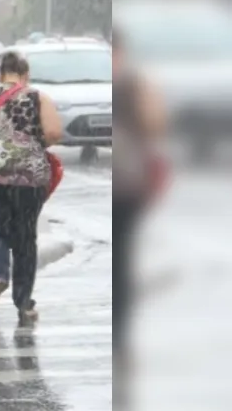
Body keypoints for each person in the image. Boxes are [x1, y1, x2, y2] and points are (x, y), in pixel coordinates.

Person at [0, 51, 62, 326]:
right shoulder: (37, 96)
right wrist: (30, 146)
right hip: (27, 177)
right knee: (25, 238)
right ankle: (24, 303)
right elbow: (54, 132)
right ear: (25, 74)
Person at [111, 28, 166, 404]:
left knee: (122, 259)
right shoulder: (131, 81)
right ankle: (119, 338)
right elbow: (154, 124)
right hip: (125, 181)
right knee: (121, 260)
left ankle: (119, 335)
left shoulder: (126, 83)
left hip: (124, 183)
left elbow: (153, 125)